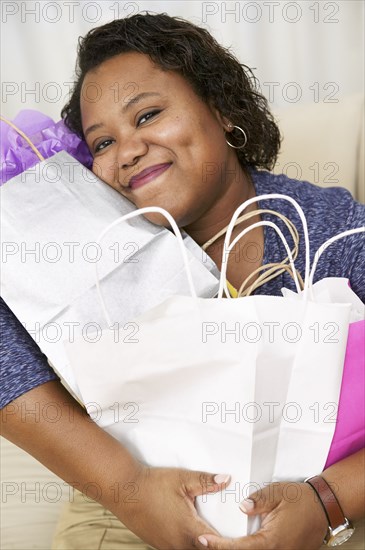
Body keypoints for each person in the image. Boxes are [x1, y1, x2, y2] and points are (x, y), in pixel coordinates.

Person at [2, 11, 364, 550]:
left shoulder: (332, 231)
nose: (126, 151)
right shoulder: (84, 251)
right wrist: (130, 491)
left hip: (322, 500)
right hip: (125, 501)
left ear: (221, 109)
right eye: (101, 144)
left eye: (147, 115)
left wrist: (326, 502)